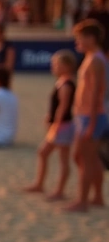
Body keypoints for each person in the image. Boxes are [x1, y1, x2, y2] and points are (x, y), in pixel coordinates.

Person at [23, 51, 77, 199]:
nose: (53, 67)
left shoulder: (66, 84)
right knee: (44, 153)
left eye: (56, 64)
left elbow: (64, 107)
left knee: (61, 157)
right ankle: (40, 184)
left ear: (66, 66)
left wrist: (56, 124)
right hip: (61, 125)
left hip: (63, 126)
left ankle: (59, 190)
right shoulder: (63, 82)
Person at [66, 20, 107, 212]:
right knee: (88, 157)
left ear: (91, 38)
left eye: (79, 38)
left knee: (85, 158)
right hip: (87, 115)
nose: (77, 43)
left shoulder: (96, 60)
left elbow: (97, 92)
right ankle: (97, 196)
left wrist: (90, 122)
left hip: (91, 116)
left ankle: (82, 201)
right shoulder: (93, 57)